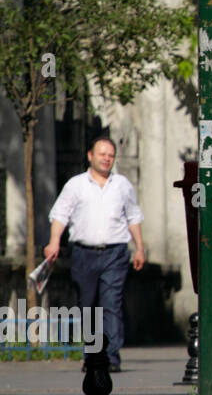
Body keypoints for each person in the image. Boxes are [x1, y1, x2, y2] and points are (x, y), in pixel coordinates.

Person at [44, 136, 145, 372]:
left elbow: (133, 217)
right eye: (102, 154)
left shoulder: (122, 185)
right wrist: (53, 242)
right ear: (90, 156)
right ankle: (92, 355)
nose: (107, 159)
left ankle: (110, 357)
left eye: (110, 155)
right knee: (88, 305)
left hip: (115, 253)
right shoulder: (75, 185)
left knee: (111, 304)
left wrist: (140, 247)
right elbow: (60, 215)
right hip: (84, 254)